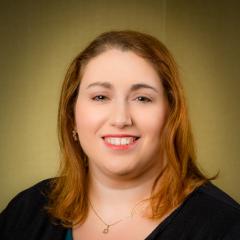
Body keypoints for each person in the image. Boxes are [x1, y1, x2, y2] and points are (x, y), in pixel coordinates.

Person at [0, 30, 239, 240]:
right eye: (100, 97)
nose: (121, 119)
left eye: (142, 98)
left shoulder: (225, 227)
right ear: (72, 116)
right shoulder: (26, 210)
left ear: (171, 115)